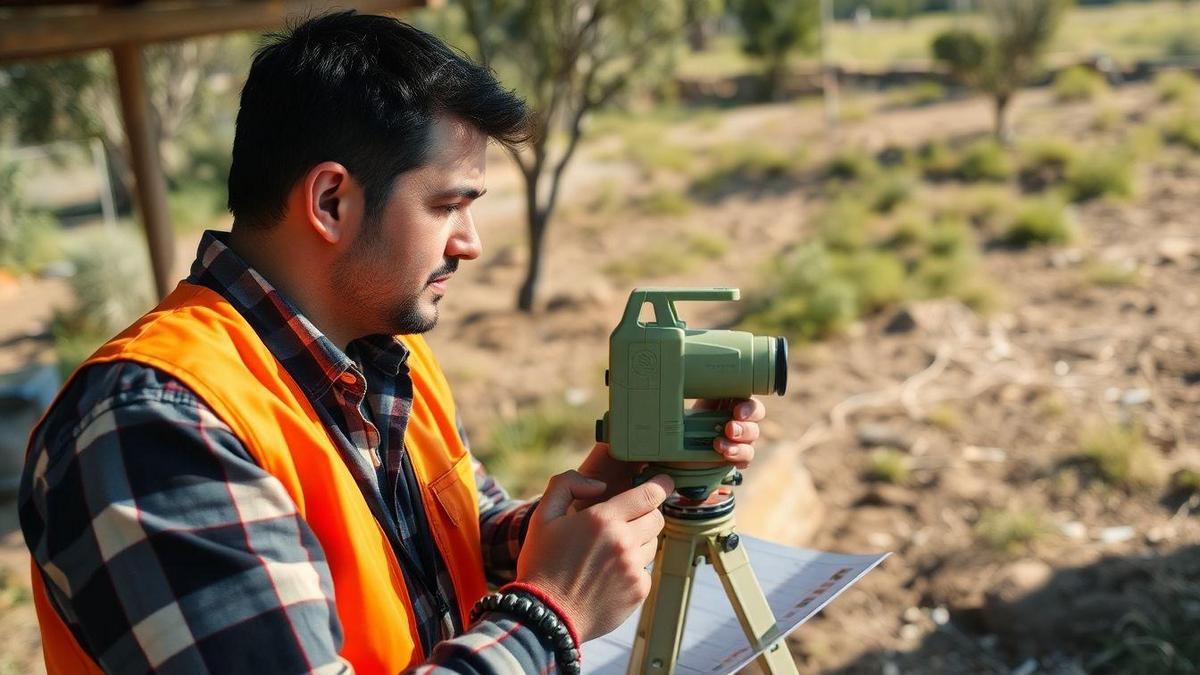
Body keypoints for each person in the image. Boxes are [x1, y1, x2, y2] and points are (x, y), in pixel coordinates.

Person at [18, 12, 768, 674]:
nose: (470, 244)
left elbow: (450, 553)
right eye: (448, 205)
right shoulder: (152, 427)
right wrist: (550, 615)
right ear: (331, 200)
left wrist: (621, 480)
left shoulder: (379, 357)